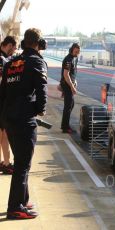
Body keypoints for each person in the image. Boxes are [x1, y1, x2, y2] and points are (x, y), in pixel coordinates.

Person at [0, 28, 48, 219]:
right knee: (23, 164)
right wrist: (37, 111)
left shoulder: (10, 62)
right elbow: (42, 92)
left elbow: (2, 93)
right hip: (24, 119)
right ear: (37, 43)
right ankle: (15, 207)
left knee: (21, 161)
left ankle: (23, 199)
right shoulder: (36, 61)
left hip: (8, 118)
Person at [0, 36, 17, 175]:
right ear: (9, 45)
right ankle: (6, 163)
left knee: (3, 134)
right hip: (2, 103)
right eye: (14, 47)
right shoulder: (2, 60)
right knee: (4, 134)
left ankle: (5, 162)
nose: (15, 50)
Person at [60, 43, 80, 133]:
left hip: (70, 83)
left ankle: (65, 124)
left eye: (79, 52)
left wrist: (75, 81)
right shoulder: (68, 59)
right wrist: (72, 87)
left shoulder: (75, 58)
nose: (77, 53)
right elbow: (66, 74)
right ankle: (65, 127)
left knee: (71, 105)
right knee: (68, 106)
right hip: (67, 84)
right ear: (72, 50)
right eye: (76, 51)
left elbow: (73, 72)